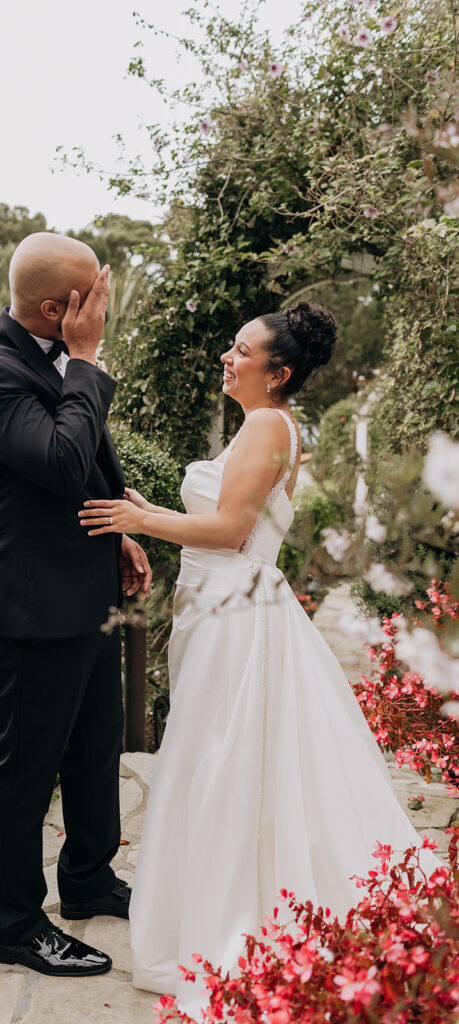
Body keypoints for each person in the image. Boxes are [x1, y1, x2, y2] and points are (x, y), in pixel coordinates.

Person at [78, 301, 439, 1016]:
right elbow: (226, 521)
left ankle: (228, 916)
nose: (226, 356)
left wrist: (137, 520)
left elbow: (233, 529)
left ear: (277, 373)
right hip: (224, 608)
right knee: (231, 759)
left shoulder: (269, 424)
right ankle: (235, 892)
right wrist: (155, 512)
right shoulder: (265, 426)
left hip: (235, 618)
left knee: (224, 762)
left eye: (241, 350)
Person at [0, 232, 151, 978]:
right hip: (31, 605)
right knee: (24, 770)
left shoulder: (53, 361)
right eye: (93, 295)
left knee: (94, 752)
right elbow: (61, 458)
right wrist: (89, 359)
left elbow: (85, 462)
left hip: (87, 590)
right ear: (53, 308)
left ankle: (88, 878)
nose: (104, 305)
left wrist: (117, 535)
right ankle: (14, 924)